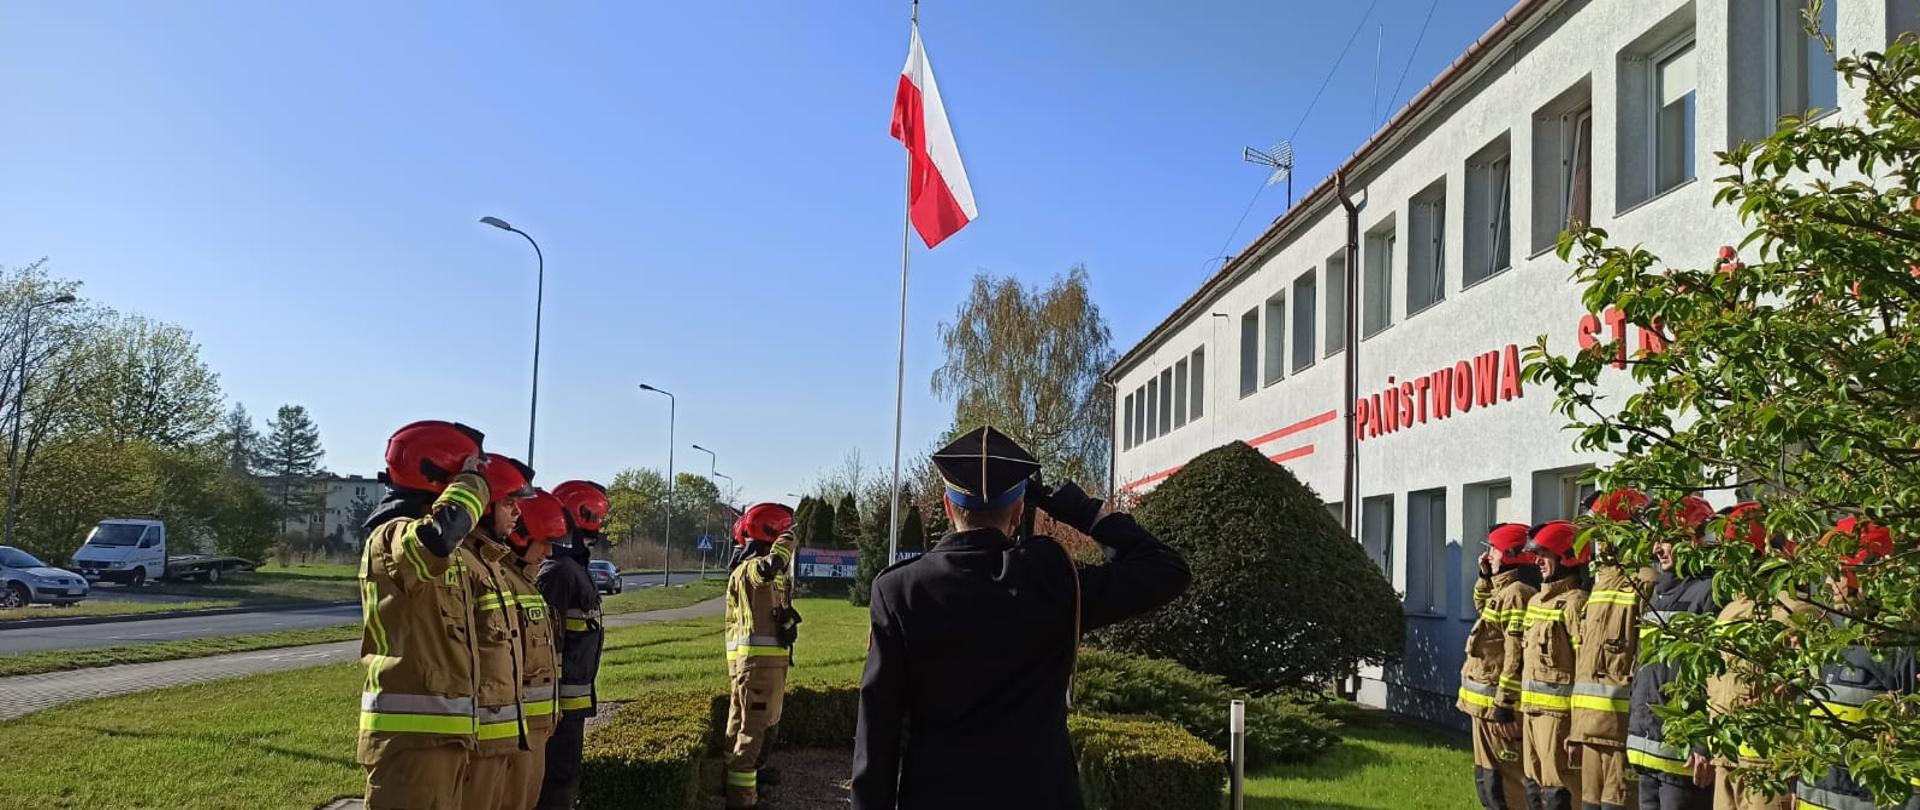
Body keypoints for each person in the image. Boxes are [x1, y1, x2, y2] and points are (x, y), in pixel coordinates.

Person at [851, 425, 1192, 810]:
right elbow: (1166, 570)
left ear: (948, 509)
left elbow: (877, 736)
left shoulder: (899, 590)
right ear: (1018, 511)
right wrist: (1085, 512)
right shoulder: (1054, 578)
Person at [357, 420, 491, 810]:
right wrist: (472, 482)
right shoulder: (391, 536)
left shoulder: (427, 550)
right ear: (437, 476)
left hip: (441, 742)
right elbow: (438, 536)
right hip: (410, 746)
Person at [1793, 518, 1920, 810]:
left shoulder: (1898, 647)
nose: (1826, 583)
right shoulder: (1824, 639)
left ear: (1858, 574)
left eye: (1834, 574)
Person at [1706, 503, 1806, 810]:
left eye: (1730, 551)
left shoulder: (1794, 612)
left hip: (1770, 769)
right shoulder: (1729, 610)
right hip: (1727, 760)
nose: (1721, 560)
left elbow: (1811, 692)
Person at [459, 454, 540, 810]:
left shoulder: (489, 564)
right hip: (477, 740)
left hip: (503, 735)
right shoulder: (464, 562)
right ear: (485, 506)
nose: (517, 514)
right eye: (509, 503)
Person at [1627, 496, 1718, 810]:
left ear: (1695, 541)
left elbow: (1713, 676)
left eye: (1669, 541)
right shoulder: (1658, 593)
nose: (1658, 549)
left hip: (1683, 758)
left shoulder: (1708, 593)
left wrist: (1702, 742)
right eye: (1658, 541)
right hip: (1648, 747)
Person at [1569, 489, 1656, 810]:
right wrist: (1577, 730)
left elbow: (1649, 666)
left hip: (1623, 734)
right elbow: (1587, 664)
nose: (1592, 542)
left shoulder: (1643, 582)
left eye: (1598, 532)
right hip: (1592, 731)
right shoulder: (1600, 584)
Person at [536, 480, 610, 810]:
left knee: (565, 779)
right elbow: (542, 644)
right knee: (555, 783)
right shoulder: (558, 572)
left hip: (570, 702)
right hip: (556, 707)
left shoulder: (574, 568)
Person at [722, 502, 800, 809]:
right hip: (759, 668)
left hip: (755, 667)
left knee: (738, 726)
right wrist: (788, 541)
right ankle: (743, 799)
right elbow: (767, 570)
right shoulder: (752, 567)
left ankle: (732, 779)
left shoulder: (743, 570)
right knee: (753, 733)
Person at [1460, 522, 1540, 810]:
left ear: (1509, 553)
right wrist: (1484, 576)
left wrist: (1506, 707)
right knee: (1489, 784)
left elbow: (1516, 653)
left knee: (1508, 789)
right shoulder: (1504, 590)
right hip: (1484, 709)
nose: (1488, 556)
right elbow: (1485, 610)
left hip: (1498, 711)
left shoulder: (1518, 593)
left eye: (1492, 550)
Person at [497, 488, 565, 810]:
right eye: (544, 542)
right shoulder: (504, 582)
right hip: (513, 735)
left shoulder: (524, 583)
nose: (549, 553)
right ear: (521, 537)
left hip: (534, 733)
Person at [1520, 519, 1593, 810]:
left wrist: (1578, 728)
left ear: (1567, 558)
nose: (1537, 561)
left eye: (1545, 555)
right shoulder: (1536, 602)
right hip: (1530, 713)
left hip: (1559, 719)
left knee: (1557, 790)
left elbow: (1584, 668)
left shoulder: (1576, 603)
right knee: (1532, 784)